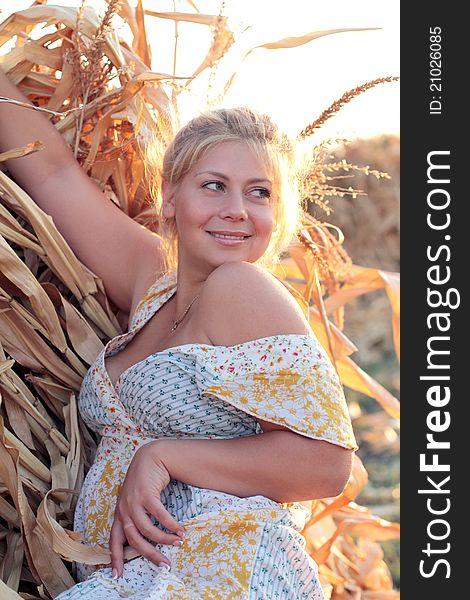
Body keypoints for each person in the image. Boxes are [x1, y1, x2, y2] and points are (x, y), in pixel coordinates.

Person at [0, 70, 357, 599]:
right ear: (170, 197)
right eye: (214, 185)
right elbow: (52, 173)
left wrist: (164, 456)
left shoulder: (242, 290)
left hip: (223, 565)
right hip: (143, 572)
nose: (236, 208)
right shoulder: (152, 281)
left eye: (258, 192)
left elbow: (327, 464)